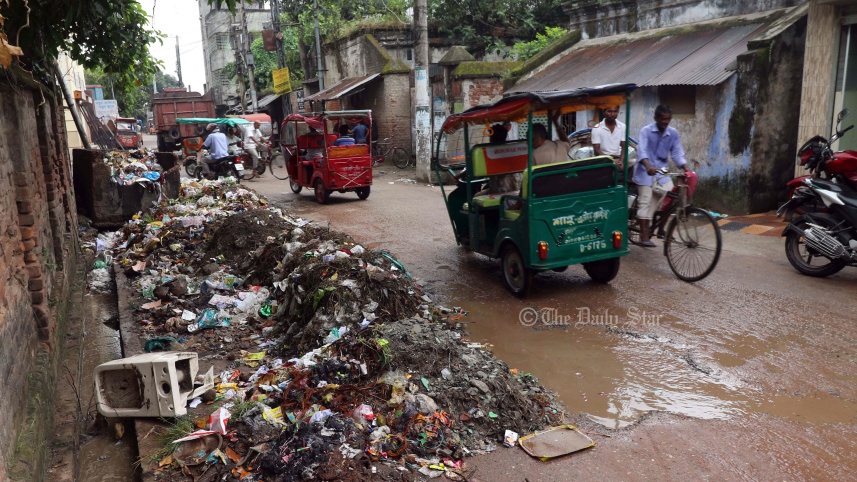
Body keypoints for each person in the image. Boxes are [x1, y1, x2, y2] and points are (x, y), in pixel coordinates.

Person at [633, 104, 691, 247]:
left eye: (668, 119)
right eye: (663, 119)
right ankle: (644, 235)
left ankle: (661, 228)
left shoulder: (673, 133)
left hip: (662, 172)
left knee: (671, 194)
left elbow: (677, 153)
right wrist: (648, 166)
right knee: (646, 200)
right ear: (656, 118)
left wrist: (685, 168)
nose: (665, 122)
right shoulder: (646, 131)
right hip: (645, 171)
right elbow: (642, 151)